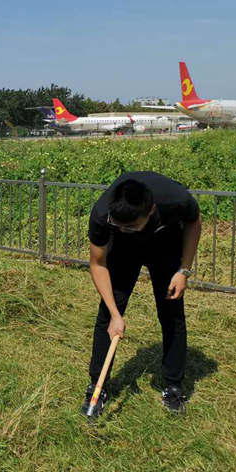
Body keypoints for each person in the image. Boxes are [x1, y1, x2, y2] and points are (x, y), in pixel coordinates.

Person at [82, 171, 202, 416]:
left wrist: (183, 270)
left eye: (131, 226)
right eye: (119, 224)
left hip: (165, 244)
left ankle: (173, 386)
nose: (124, 229)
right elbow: (98, 264)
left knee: (171, 313)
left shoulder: (174, 199)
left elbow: (194, 222)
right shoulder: (103, 215)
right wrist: (116, 314)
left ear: (150, 211)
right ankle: (98, 385)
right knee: (107, 315)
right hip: (123, 253)